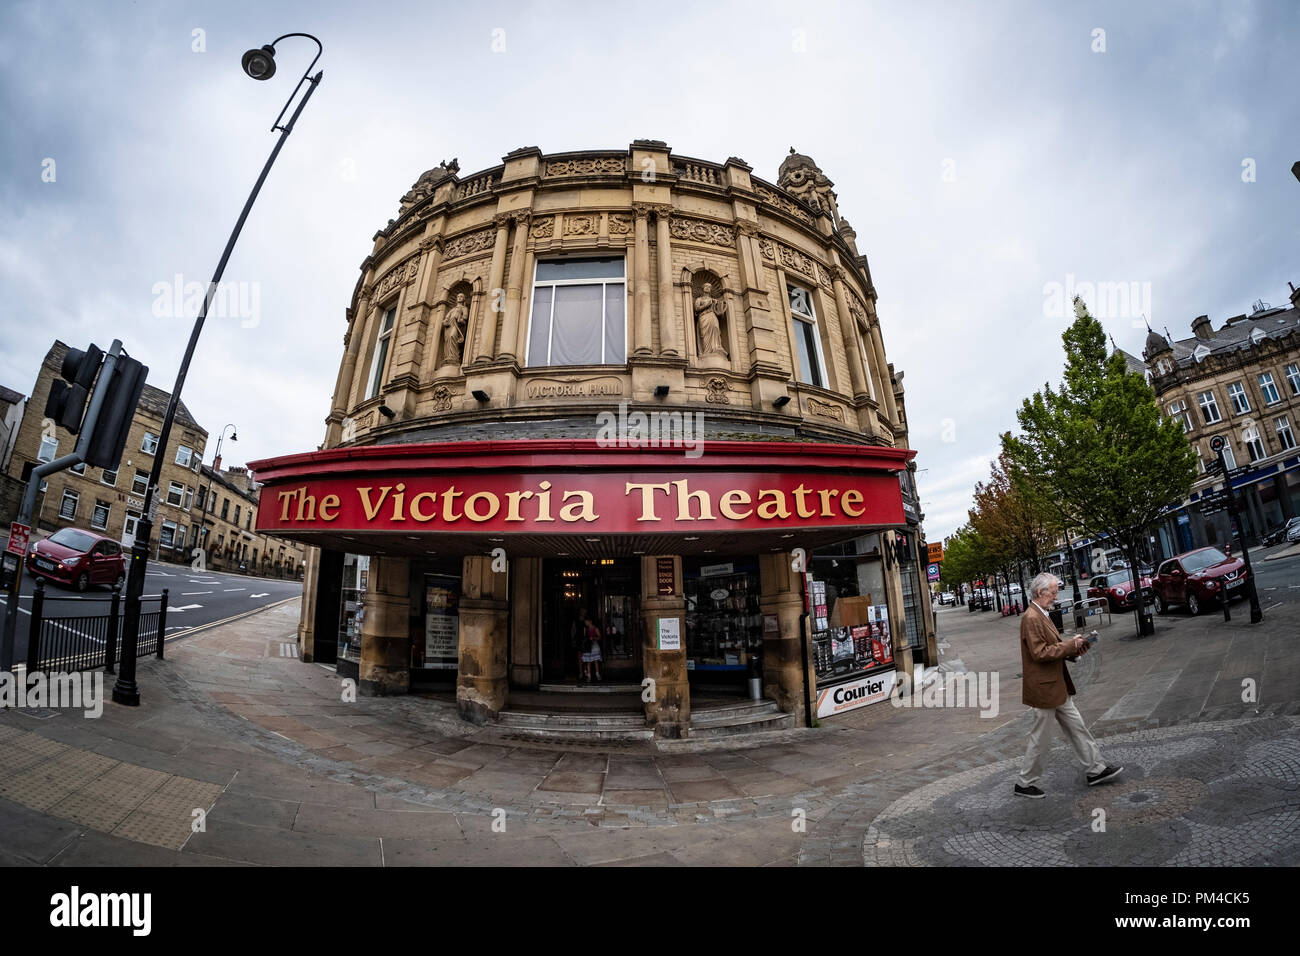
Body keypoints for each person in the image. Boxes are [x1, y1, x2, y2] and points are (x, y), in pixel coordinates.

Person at [1014, 572, 1122, 798]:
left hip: (1056, 685)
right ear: (1041, 592)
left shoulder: (1041, 613)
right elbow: (1040, 653)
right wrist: (1070, 645)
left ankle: (1096, 769)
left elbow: (1052, 648)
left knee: (1077, 727)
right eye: (1053, 592)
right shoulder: (1031, 617)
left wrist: (1075, 649)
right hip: (1045, 689)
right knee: (1041, 738)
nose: (1056, 596)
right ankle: (1024, 783)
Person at [580, 615, 603, 683]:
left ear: (590, 621)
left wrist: (593, 638)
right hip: (588, 646)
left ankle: (597, 674)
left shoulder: (595, 628)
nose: (586, 623)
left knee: (595, 661)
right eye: (585, 622)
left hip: (594, 646)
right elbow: (584, 637)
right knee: (588, 661)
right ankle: (589, 676)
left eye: (586, 621)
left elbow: (600, 637)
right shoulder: (585, 629)